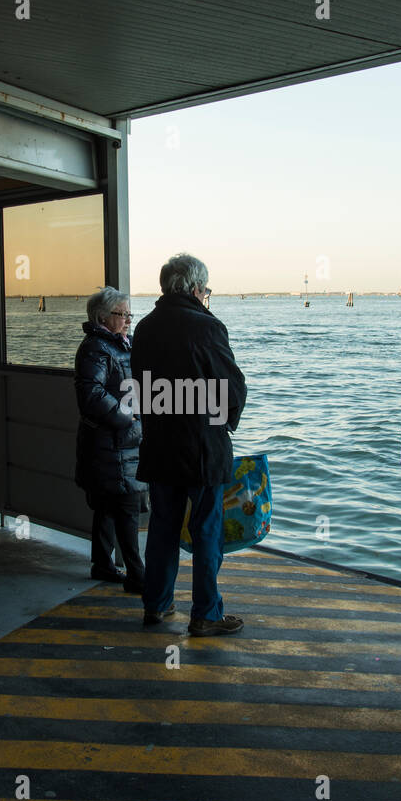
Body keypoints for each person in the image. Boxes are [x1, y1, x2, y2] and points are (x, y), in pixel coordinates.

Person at [131, 253, 247, 635]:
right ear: (196, 288)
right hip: (200, 449)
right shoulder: (207, 327)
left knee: (162, 527)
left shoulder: (145, 328)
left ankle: (157, 605)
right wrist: (226, 420)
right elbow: (230, 387)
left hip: (160, 445)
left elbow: (143, 390)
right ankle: (205, 615)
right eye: (206, 289)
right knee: (206, 530)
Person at [74, 286, 147, 593]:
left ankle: (102, 565)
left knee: (106, 507)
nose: (128, 319)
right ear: (103, 316)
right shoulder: (98, 348)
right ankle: (137, 575)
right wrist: (124, 417)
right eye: (122, 314)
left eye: (129, 313)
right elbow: (90, 394)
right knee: (127, 507)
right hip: (114, 444)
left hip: (115, 444)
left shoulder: (115, 344)